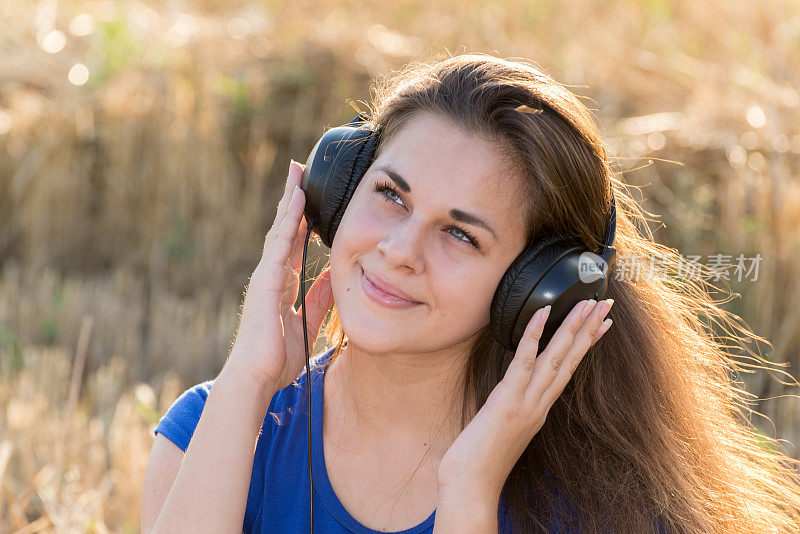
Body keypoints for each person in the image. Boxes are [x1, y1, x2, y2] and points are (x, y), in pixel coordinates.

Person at [141, 53, 800, 533]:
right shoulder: (211, 433)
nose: (398, 251)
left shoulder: (605, 508)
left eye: (459, 235)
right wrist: (246, 383)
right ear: (336, 191)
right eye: (390, 194)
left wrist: (467, 498)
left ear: (539, 289)